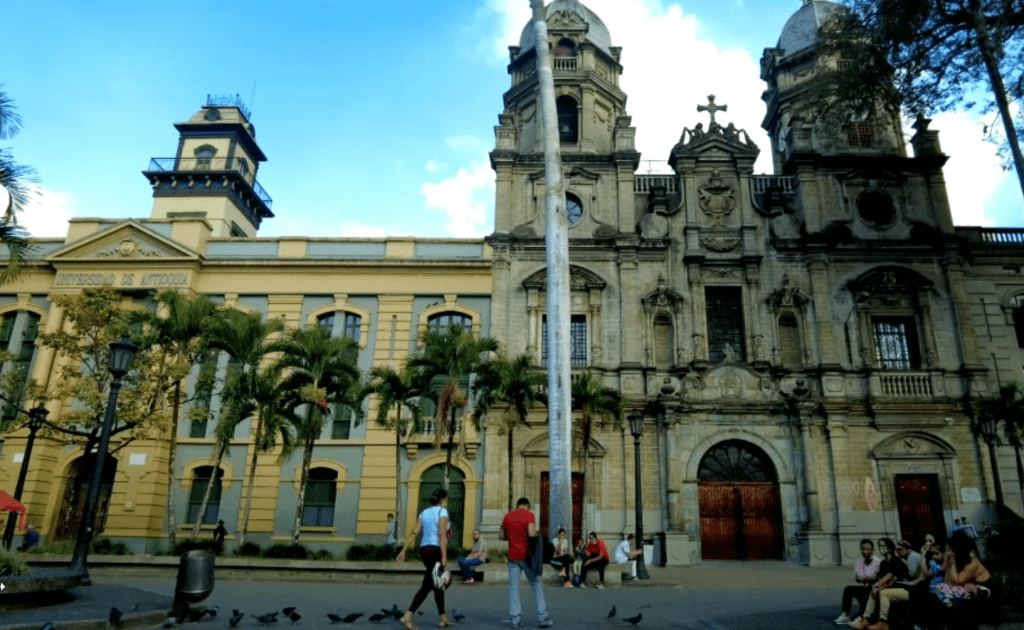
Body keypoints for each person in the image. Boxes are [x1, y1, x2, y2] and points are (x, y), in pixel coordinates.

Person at [396, 489, 454, 630]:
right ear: (443, 499)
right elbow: (442, 534)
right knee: (429, 585)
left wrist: (403, 550)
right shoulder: (442, 512)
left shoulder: (424, 512)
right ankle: (408, 616)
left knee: (437, 584)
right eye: (446, 499)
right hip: (435, 549)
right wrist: (444, 556)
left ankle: (443, 618)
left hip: (424, 549)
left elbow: (415, 532)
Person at [499, 497, 552, 629]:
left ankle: (515, 620)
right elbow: (531, 532)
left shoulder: (508, 516)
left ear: (517, 505)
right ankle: (542, 617)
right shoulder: (529, 515)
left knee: (514, 588)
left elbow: (501, 535)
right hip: (526, 557)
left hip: (512, 557)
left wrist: (511, 536)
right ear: (527, 506)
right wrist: (538, 534)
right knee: (536, 585)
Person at [850, 538, 912, 630]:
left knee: (878, 590)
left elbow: (889, 576)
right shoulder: (883, 562)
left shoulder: (895, 560)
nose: (881, 548)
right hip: (892, 587)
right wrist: (869, 579)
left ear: (890, 548)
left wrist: (877, 585)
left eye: (883, 546)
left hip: (904, 587)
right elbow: (879, 577)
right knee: (873, 589)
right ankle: (866, 619)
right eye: (879, 546)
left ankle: (881, 622)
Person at [834, 539, 880, 625]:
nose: (865, 551)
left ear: (872, 550)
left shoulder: (878, 562)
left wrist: (869, 579)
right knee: (848, 589)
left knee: (866, 596)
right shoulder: (859, 561)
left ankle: (862, 615)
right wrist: (859, 578)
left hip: (873, 588)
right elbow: (858, 577)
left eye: (867, 549)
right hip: (865, 587)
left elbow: (879, 578)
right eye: (863, 549)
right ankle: (845, 614)